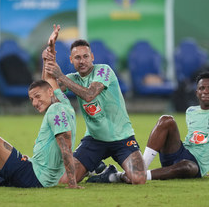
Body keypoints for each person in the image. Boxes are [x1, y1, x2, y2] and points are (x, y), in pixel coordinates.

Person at [42, 25, 146, 184]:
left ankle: (112, 175)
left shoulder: (104, 70)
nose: (82, 61)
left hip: (122, 138)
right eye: (77, 58)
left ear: (92, 57)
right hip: (94, 140)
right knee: (65, 181)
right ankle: (94, 166)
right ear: (71, 60)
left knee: (139, 179)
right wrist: (47, 58)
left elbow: (89, 95)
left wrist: (60, 76)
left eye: (85, 56)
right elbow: (47, 90)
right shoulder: (72, 78)